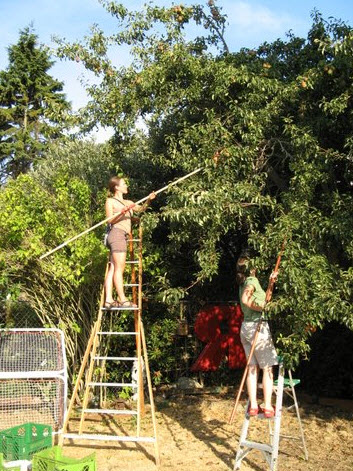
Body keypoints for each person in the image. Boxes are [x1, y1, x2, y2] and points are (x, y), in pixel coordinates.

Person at [236, 252, 278, 418]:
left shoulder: (243, 282)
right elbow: (248, 300)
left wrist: (271, 283)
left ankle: (253, 405)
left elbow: (265, 299)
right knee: (267, 367)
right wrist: (261, 309)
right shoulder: (252, 280)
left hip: (246, 327)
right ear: (251, 267)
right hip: (257, 327)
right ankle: (267, 406)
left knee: (252, 367)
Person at [104, 176, 155, 309]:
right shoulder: (110, 201)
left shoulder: (128, 202)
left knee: (114, 268)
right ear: (117, 187)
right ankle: (122, 299)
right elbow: (110, 220)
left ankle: (108, 300)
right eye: (124, 184)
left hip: (121, 235)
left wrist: (149, 200)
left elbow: (141, 209)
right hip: (116, 234)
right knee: (119, 269)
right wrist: (122, 213)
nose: (127, 186)